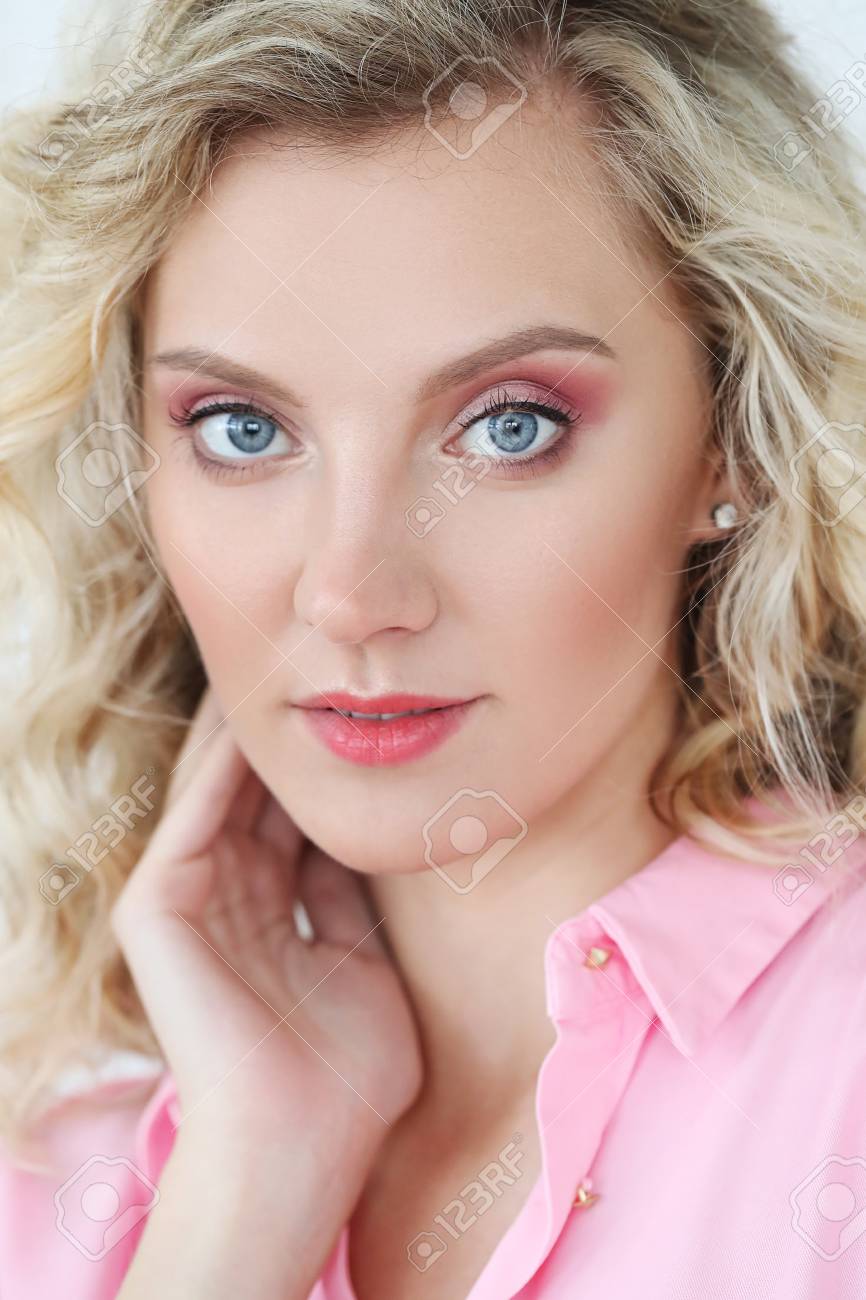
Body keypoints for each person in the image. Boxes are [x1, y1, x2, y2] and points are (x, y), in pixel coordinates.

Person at [1, 0, 866, 1296]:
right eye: (241, 428)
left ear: (731, 438)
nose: (350, 596)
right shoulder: (51, 1190)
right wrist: (245, 1192)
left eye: (510, 426)